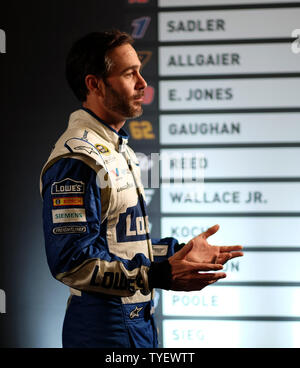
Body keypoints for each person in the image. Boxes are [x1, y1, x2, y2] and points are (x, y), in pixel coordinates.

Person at [40, 30, 243, 348]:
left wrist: (179, 254)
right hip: (101, 329)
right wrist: (159, 275)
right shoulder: (77, 158)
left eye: (140, 71)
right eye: (128, 73)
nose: (143, 83)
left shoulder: (118, 148)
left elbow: (117, 243)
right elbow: (72, 262)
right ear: (94, 84)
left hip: (139, 322)